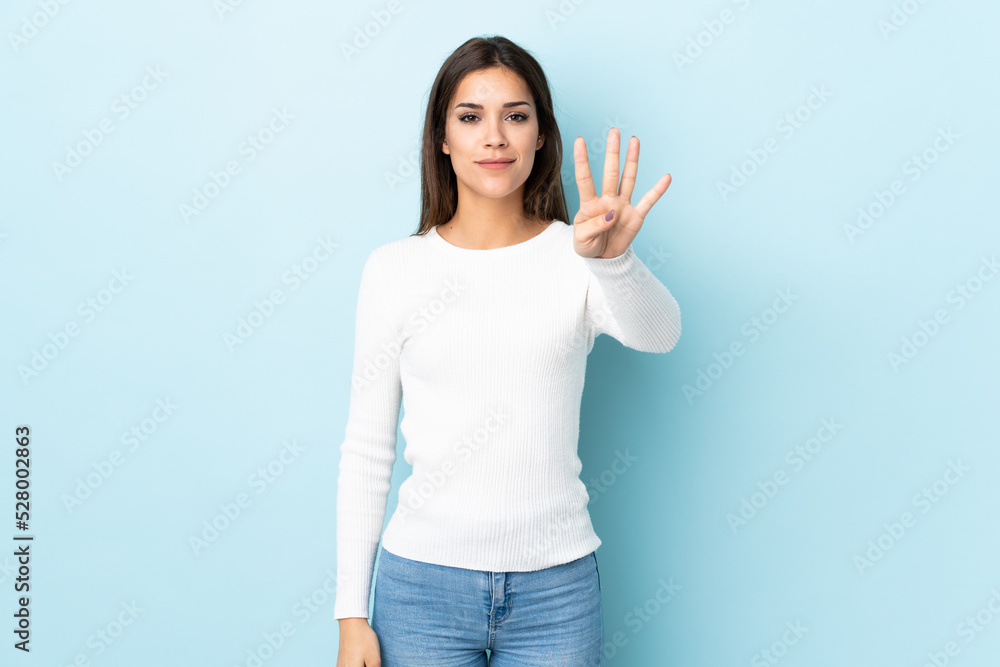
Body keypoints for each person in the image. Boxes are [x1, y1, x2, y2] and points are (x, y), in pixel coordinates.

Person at [334, 34, 681, 667]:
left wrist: (615, 262)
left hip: (556, 592)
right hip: (421, 591)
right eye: (471, 118)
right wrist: (352, 615)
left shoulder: (579, 253)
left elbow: (660, 336)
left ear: (540, 135)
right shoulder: (394, 270)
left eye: (515, 116)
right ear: (442, 138)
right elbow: (366, 450)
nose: (494, 136)